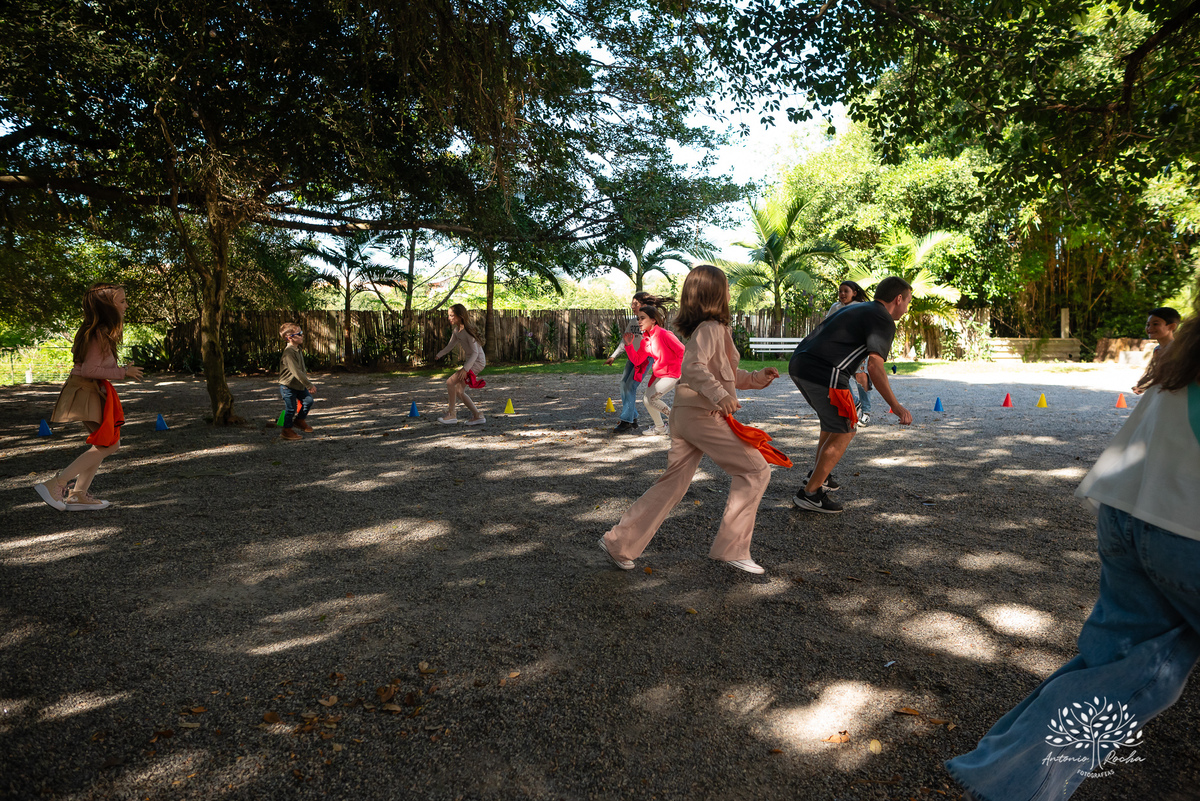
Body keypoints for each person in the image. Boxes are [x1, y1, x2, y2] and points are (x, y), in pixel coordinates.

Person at [945, 302, 1200, 801]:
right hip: (1185, 526)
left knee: (1120, 667)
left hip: (1127, 509)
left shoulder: (1184, 356)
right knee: (1134, 671)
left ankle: (1009, 783)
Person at [599, 264, 781, 575]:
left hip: (686, 415)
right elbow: (694, 368)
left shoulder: (713, 329)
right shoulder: (711, 328)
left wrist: (754, 378)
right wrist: (720, 396)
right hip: (701, 415)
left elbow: (723, 373)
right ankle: (732, 548)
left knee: (673, 483)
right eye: (725, 288)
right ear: (717, 294)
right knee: (755, 470)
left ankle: (619, 542)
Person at [788, 276, 914, 513]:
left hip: (799, 363)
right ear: (898, 299)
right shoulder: (883, 319)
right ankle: (810, 494)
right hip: (826, 372)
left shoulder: (858, 309)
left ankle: (818, 478)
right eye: (907, 302)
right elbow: (876, 367)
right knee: (847, 428)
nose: (906, 308)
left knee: (831, 424)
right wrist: (896, 407)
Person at [34, 284, 143, 511]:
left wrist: (120, 368)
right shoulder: (98, 333)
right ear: (107, 306)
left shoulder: (99, 331)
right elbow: (89, 370)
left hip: (90, 389)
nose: (126, 305)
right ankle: (58, 483)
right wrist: (123, 373)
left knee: (107, 443)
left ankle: (78, 495)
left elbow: (93, 366)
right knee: (110, 444)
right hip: (85, 389)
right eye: (122, 301)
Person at [606, 292, 673, 434]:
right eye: (632, 303)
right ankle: (633, 417)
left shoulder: (649, 323)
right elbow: (625, 340)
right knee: (624, 384)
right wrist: (613, 356)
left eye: (635, 303)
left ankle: (627, 421)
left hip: (645, 359)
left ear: (644, 305)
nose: (632, 306)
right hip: (633, 357)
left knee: (630, 386)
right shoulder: (632, 322)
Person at [623, 303, 685, 436]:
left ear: (653, 320)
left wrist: (683, 371)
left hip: (674, 373)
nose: (639, 321)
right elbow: (638, 360)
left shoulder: (664, 334)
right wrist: (629, 346)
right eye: (638, 318)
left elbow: (682, 351)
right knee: (647, 400)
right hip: (660, 373)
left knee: (652, 399)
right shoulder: (646, 340)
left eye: (642, 318)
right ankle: (660, 428)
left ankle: (677, 422)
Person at [825, 280, 875, 426]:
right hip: (839, 349)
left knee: (860, 377)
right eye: (840, 291)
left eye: (846, 291)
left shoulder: (861, 307)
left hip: (858, 348)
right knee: (839, 378)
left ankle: (866, 412)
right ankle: (855, 403)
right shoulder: (835, 307)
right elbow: (827, 325)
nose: (842, 294)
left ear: (854, 293)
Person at [435, 303, 486, 425]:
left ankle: (452, 415)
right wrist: (439, 354)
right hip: (472, 362)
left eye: (452, 315)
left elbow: (475, 353)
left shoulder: (467, 331)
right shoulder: (457, 330)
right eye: (449, 315)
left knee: (450, 382)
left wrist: (465, 369)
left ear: (460, 316)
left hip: (477, 362)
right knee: (459, 392)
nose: (449, 318)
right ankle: (478, 416)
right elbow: (450, 346)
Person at [277, 322, 317, 441]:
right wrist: (308, 384)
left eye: (302, 333)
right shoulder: (288, 353)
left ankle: (299, 420)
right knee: (290, 408)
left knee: (308, 401)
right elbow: (296, 372)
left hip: (298, 385)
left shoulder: (297, 349)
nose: (302, 335)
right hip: (288, 386)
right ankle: (286, 430)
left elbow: (301, 370)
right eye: (299, 334)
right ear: (290, 338)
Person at [1132, 306, 1180, 394]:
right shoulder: (1157, 350)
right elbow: (1155, 372)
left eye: (1155, 324)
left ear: (1171, 327)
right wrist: (1142, 385)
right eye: (1148, 325)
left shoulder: (1178, 349)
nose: (1150, 328)